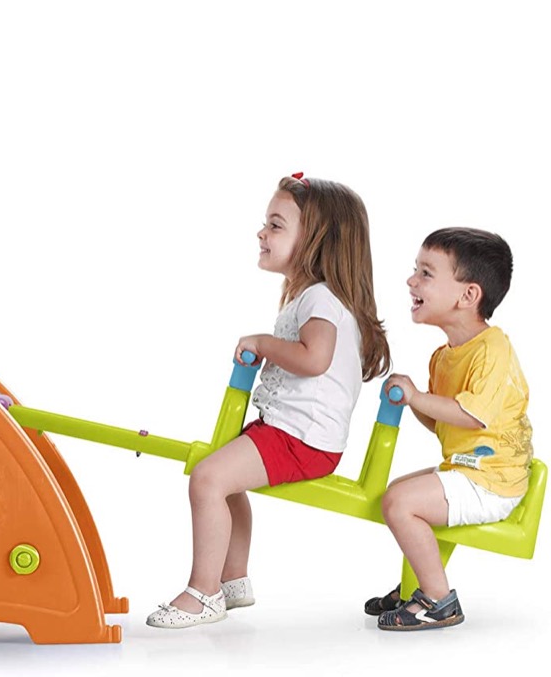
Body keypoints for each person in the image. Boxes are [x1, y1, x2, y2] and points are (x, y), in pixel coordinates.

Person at [147, 173, 391, 628]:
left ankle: (203, 592)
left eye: (276, 226)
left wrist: (263, 343)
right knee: (223, 480)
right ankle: (233, 580)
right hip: (290, 430)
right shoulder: (311, 297)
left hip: (301, 438)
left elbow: (314, 358)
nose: (262, 233)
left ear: (317, 240)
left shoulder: (321, 299)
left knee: (207, 480)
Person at [365, 228, 532, 631]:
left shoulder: (493, 349)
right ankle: (417, 583)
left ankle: (438, 600)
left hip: (493, 480)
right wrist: (412, 401)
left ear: (468, 295)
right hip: (468, 468)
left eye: (426, 273)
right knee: (397, 492)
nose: (411, 281)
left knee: (401, 502)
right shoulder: (443, 357)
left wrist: (417, 396)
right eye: (415, 270)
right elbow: (443, 420)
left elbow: (471, 416)